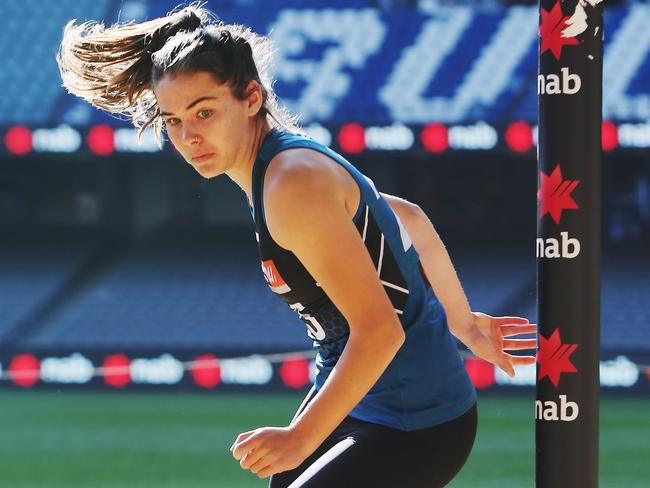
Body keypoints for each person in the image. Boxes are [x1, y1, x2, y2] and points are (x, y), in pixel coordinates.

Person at [57, 5, 536, 487]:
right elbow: (405, 215)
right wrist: (464, 322)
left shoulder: (290, 183)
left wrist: (299, 438)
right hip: (369, 402)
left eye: (204, 112)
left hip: (416, 419)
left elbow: (380, 332)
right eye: (173, 120)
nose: (188, 136)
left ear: (250, 97)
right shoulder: (280, 165)